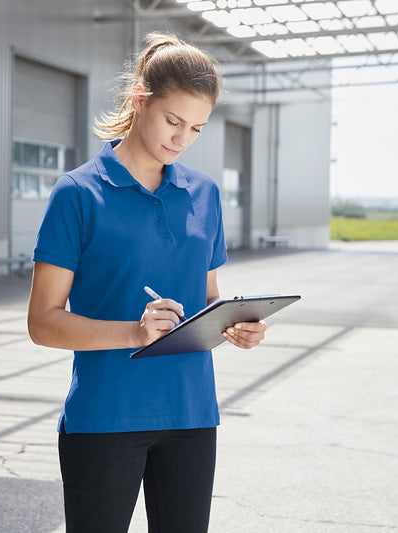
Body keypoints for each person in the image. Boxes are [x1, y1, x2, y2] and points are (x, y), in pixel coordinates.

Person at [27, 32, 267, 533]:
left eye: (196, 129)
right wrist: (133, 333)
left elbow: (207, 299)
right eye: (173, 120)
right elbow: (43, 323)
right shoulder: (77, 194)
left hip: (192, 414)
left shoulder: (204, 194)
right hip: (106, 415)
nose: (181, 139)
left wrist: (233, 324)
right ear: (140, 99)